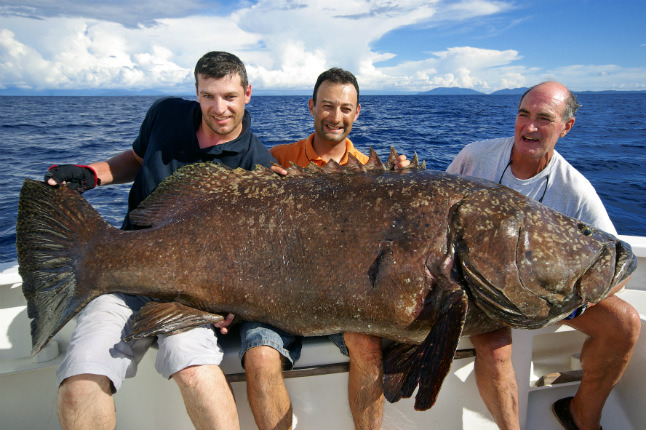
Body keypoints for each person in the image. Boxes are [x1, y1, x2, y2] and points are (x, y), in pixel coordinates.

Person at [45, 51, 276, 430]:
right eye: (208, 96)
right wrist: (92, 174)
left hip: (192, 295)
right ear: (196, 92)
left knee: (194, 371)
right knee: (79, 381)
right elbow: (136, 159)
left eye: (230, 97)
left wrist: (239, 300)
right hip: (123, 276)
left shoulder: (258, 166)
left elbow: (261, 255)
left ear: (247, 93)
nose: (219, 108)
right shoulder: (165, 113)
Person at [446, 81, 640, 430]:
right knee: (495, 347)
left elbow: (616, 261)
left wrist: (563, 303)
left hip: (543, 296)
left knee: (624, 322)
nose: (530, 127)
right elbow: (434, 213)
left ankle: (583, 415)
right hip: (472, 285)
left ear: (567, 127)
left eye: (544, 118)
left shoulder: (575, 189)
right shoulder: (476, 156)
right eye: (524, 114)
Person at [240, 67, 408, 430]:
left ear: (357, 112)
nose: (336, 117)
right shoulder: (278, 158)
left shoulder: (372, 172)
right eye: (327, 106)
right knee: (259, 357)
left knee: (366, 344)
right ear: (312, 106)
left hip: (341, 298)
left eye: (345, 109)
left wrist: (403, 185)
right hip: (276, 293)